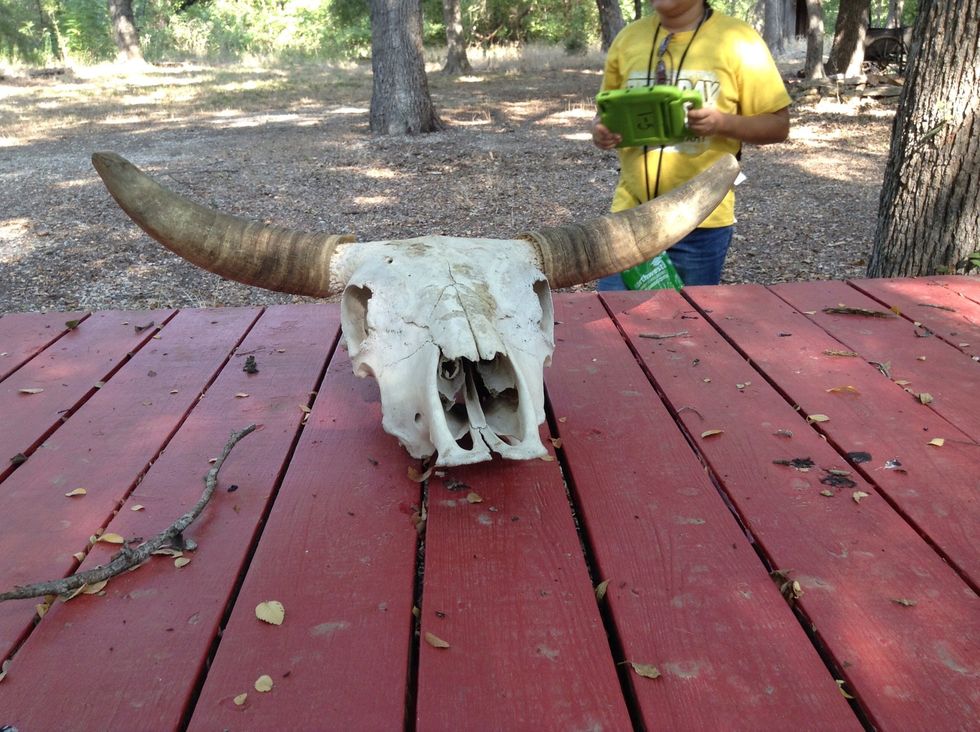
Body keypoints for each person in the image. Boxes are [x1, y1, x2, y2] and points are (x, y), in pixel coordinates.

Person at [591, 0, 791, 288]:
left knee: (685, 326)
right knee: (611, 325)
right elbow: (603, 114)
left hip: (699, 221)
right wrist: (599, 131)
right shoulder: (628, 39)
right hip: (629, 217)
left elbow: (778, 125)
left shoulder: (739, 40)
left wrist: (722, 123)